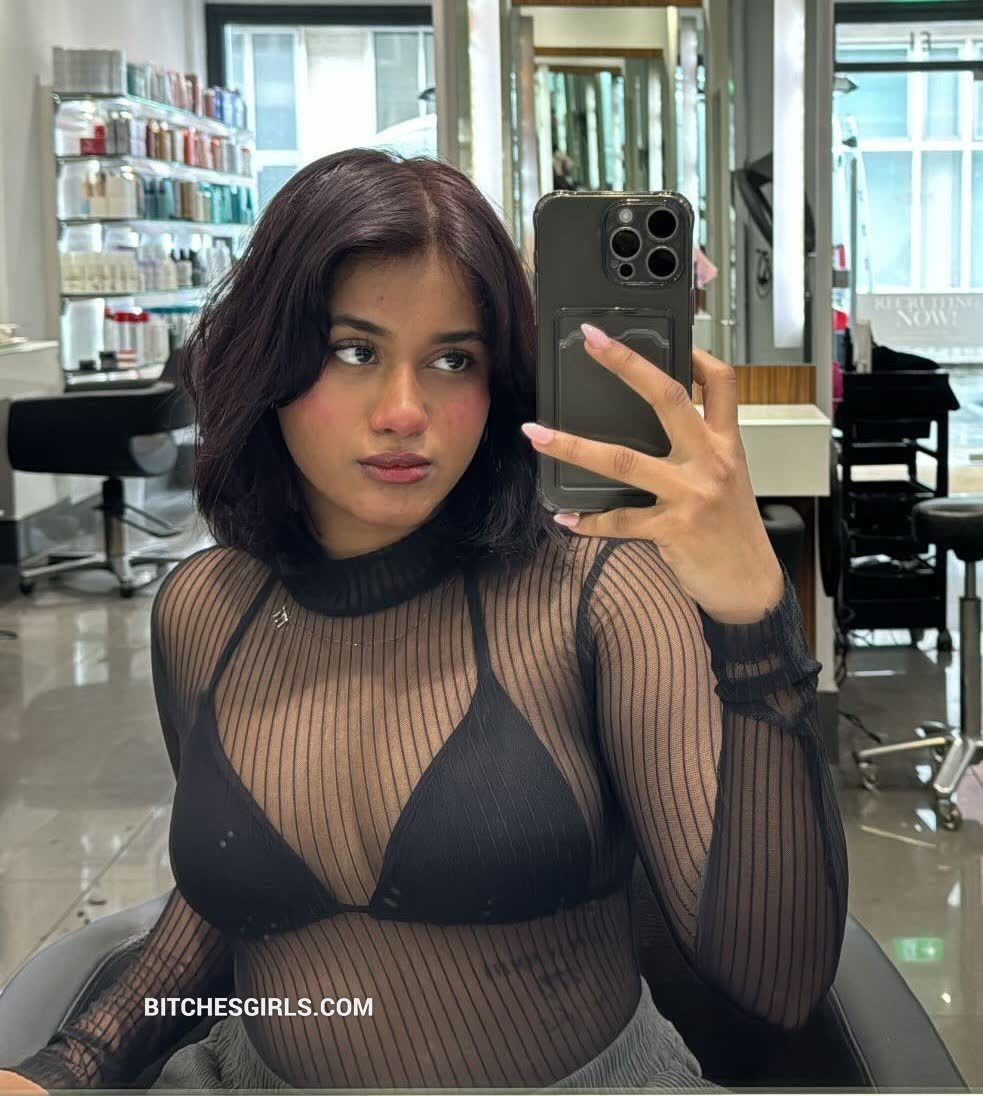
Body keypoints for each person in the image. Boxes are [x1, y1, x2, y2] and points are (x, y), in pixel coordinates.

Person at [0, 149, 848, 1092]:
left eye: (453, 360)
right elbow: (223, 911)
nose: (405, 412)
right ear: (269, 359)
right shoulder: (203, 610)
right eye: (353, 351)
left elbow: (776, 984)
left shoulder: (596, 595)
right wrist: (69, 1065)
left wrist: (753, 621)